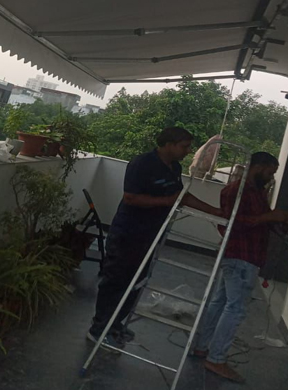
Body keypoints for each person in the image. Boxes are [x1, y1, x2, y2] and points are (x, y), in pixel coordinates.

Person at [87, 127, 222, 349]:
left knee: (136, 282)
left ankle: (115, 324)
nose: (188, 151)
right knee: (116, 281)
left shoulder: (174, 168)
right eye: (184, 146)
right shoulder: (142, 163)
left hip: (150, 235)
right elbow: (131, 198)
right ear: (168, 144)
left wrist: (215, 212)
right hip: (128, 233)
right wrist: (166, 201)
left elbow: (181, 196)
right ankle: (98, 329)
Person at [194, 152, 288, 383]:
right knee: (235, 308)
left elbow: (262, 219)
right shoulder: (235, 191)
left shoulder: (257, 192)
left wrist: (284, 225)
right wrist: (271, 217)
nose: (271, 177)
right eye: (270, 172)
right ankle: (216, 358)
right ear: (259, 167)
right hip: (240, 256)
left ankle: (202, 347)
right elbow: (232, 224)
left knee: (221, 302)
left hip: (246, 255)